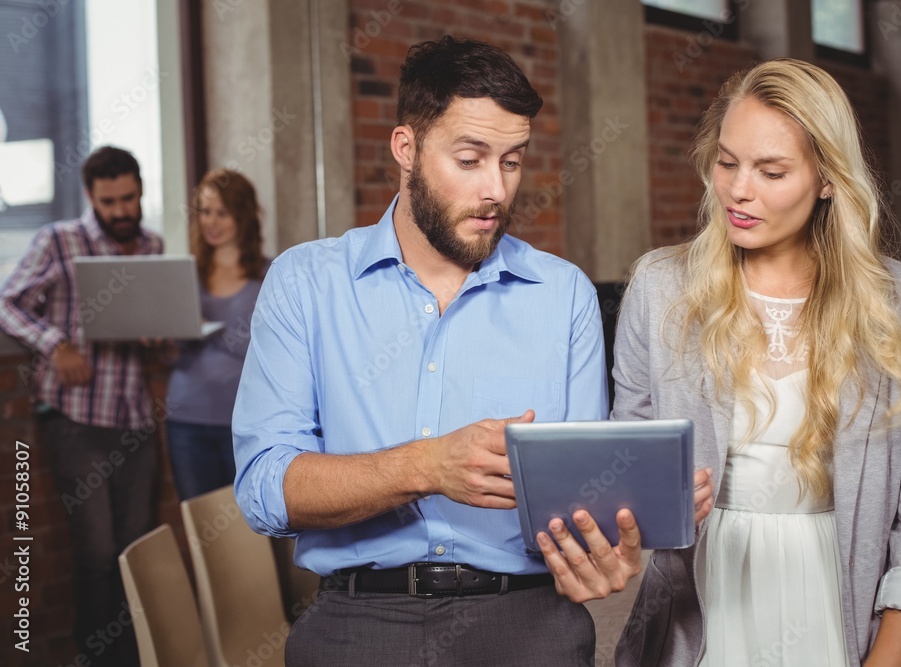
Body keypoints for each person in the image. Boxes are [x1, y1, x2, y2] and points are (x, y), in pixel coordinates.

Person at [233, 35, 713, 666]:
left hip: (530, 623)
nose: (496, 190)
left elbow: (580, 499)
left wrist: (611, 546)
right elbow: (265, 489)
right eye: (470, 159)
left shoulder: (563, 293)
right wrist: (428, 467)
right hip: (358, 623)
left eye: (511, 162)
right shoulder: (305, 283)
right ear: (406, 149)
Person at [612, 58, 901, 666]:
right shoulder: (659, 287)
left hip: (845, 607)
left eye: (771, 171)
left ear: (828, 180)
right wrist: (644, 504)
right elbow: (624, 469)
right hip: (702, 609)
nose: (738, 190)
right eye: (727, 163)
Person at [0, 146, 162, 667]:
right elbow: (6, 301)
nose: (121, 211)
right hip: (75, 419)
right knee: (95, 552)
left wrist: (159, 335)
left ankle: (136, 654)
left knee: (134, 549)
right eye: (109, 201)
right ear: (91, 197)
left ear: (140, 192)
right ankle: (96, 657)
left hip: (135, 420)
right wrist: (55, 344)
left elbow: (153, 328)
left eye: (129, 198)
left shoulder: (153, 245)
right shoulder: (58, 240)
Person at [165, 169, 268, 500]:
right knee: (201, 527)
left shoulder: (271, 274)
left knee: (252, 530)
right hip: (186, 417)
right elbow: (173, 355)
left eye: (221, 212)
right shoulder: (185, 274)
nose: (211, 221)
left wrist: (213, 330)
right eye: (205, 212)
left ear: (243, 215)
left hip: (245, 422)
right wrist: (164, 337)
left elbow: (272, 351)